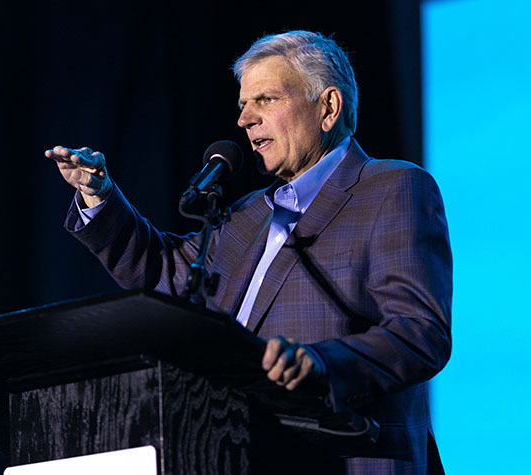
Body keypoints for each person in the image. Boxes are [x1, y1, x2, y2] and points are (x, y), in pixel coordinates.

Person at [45, 30, 451, 474]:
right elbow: (162, 272)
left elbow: (420, 333)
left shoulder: (391, 187)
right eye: (243, 104)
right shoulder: (249, 213)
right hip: (233, 452)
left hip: (343, 456)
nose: (244, 120)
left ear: (328, 108)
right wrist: (99, 196)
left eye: (265, 100)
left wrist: (321, 363)